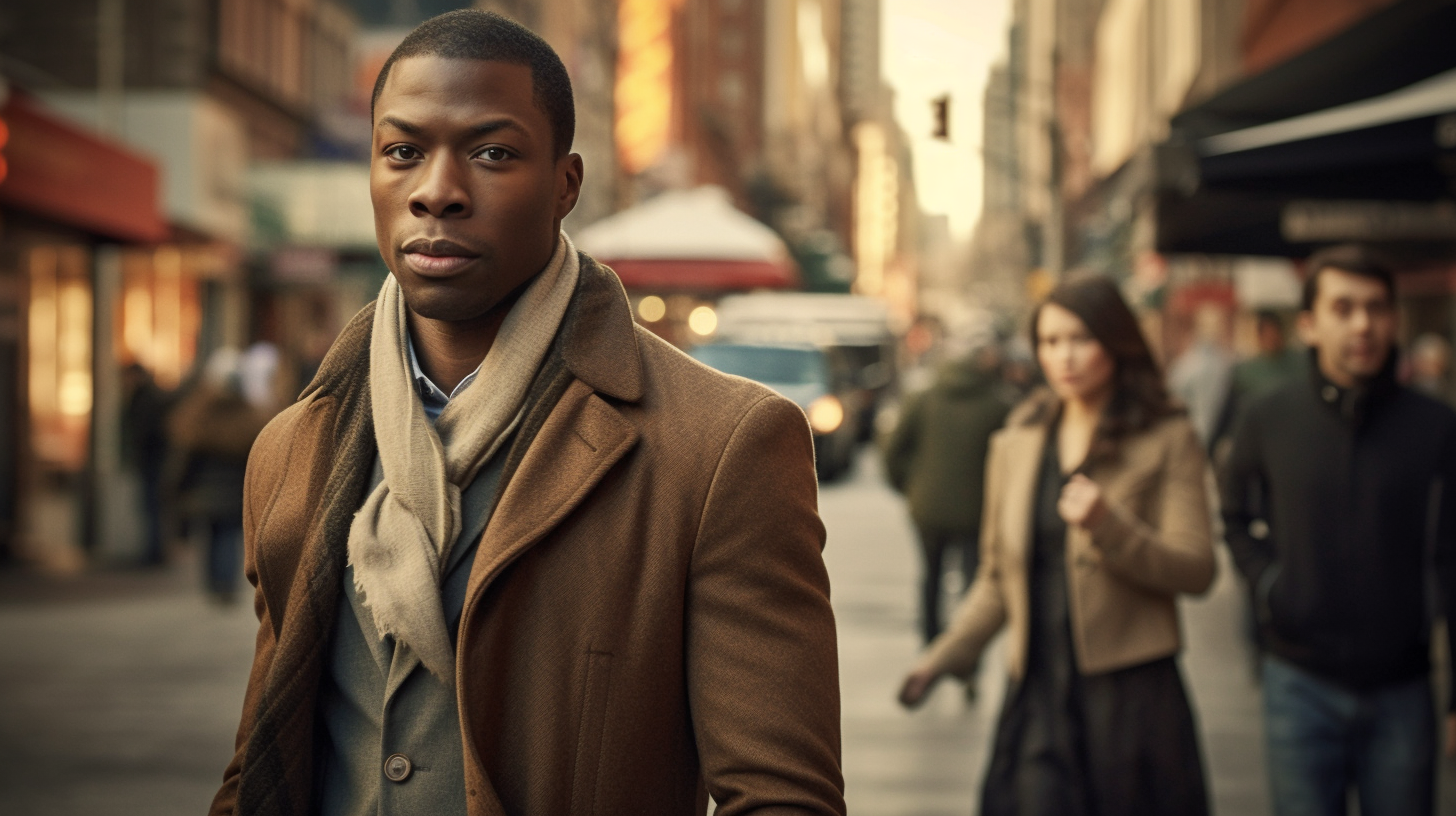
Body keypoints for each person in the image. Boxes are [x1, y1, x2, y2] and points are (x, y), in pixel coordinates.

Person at [210, 11, 843, 816]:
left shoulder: (721, 446)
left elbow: (783, 800)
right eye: (402, 152)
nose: (437, 192)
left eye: (493, 154)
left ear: (565, 184)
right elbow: (261, 761)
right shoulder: (293, 448)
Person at [899, 276, 1216, 816]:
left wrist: (1110, 527)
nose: (1063, 357)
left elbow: (1197, 570)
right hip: (1039, 696)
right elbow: (999, 579)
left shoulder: (1167, 435)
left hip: (1133, 700)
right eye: (1049, 342)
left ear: (1116, 342)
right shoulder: (1016, 441)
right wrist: (943, 658)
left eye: (1081, 339)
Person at [1222, 245, 1456, 816]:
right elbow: (1233, 516)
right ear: (1308, 324)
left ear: (1394, 319)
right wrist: (1269, 585)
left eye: (1376, 308)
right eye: (1343, 307)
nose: (1362, 325)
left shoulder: (1436, 426)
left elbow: (1455, 557)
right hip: (1298, 685)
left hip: (1403, 687)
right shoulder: (1266, 416)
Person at [882, 340, 1011, 647]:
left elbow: (893, 450)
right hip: (975, 509)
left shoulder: (922, 399)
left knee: (931, 575)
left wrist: (907, 487)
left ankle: (930, 641)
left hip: (928, 507)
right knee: (973, 578)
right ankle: (965, 643)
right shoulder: (998, 405)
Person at [167, 349, 270, 602]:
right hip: (234, 491)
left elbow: (186, 457)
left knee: (212, 537)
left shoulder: (199, 416)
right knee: (228, 536)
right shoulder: (250, 416)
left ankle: (215, 583)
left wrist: (178, 486)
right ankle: (225, 583)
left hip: (205, 492)